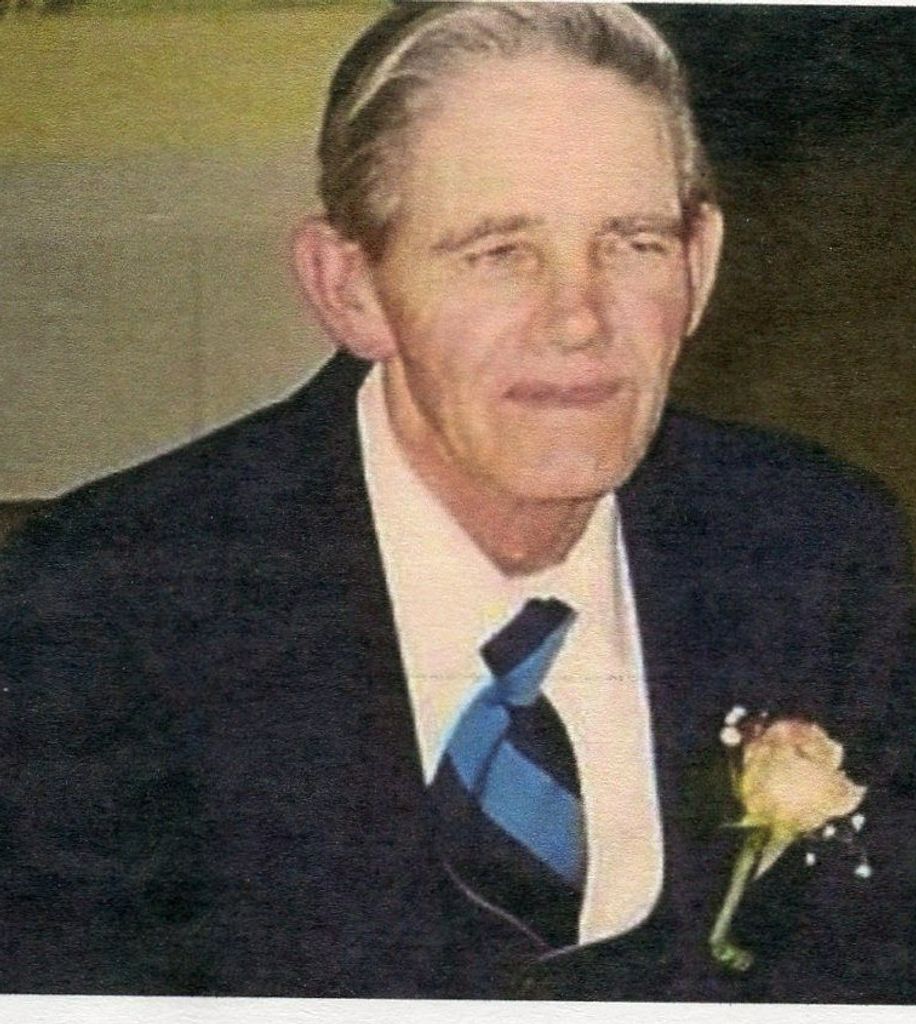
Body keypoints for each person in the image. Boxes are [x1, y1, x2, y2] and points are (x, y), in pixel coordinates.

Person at [0, 1, 911, 1002]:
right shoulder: (104, 608)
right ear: (350, 289)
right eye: (499, 251)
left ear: (699, 265)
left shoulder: (820, 551)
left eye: (632, 242)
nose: (578, 319)